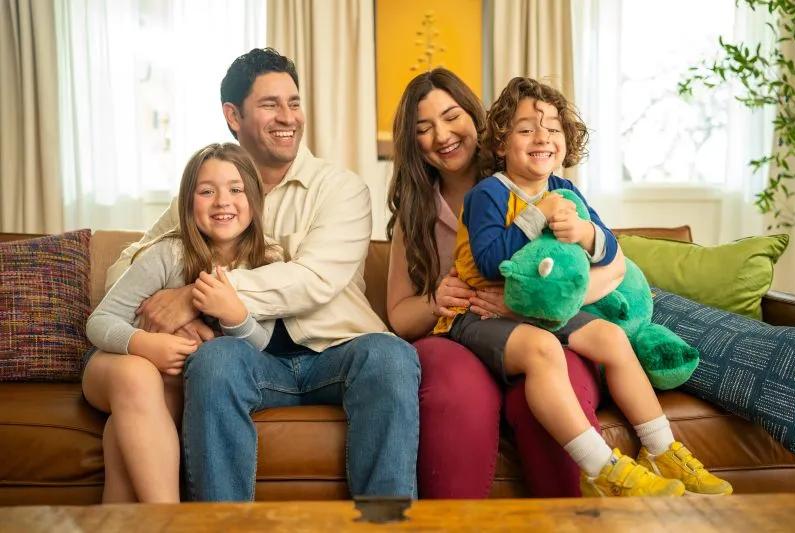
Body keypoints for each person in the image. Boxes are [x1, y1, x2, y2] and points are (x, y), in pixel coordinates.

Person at [105, 48, 420, 501]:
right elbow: (129, 263)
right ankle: (222, 529)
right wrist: (168, 299)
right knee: (213, 361)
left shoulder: (341, 189)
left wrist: (196, 294)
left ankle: (385, 527)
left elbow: (313, 280)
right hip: (249, 358)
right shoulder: (214, 192)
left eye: (293, 103)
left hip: (337, 351)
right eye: (270, 105)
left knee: (391, 357)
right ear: (233, 116)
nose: (287, 117)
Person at [439, 75, 733, 497]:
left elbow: (610, 250)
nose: (542, 137)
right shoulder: (488, 194)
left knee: (612, 337)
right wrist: (538, 213)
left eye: (553, 128)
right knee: (543, 352)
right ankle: (602, 469)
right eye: (526, 129)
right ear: (502, 144)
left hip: (540, 311)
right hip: (482, 312)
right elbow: (488, 260)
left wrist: (585, 233)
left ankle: (662, 449)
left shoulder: (565, 189)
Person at [387, 68, 621, 498]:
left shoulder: (532, 179)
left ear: (479, 120)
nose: (442, 135)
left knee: (554, 384)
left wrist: (535, 304)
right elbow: (400, 316)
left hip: (540, 333)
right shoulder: (415, 213)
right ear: (413, 143)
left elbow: (615, 266)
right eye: (424, 128)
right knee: (458, 395)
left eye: (452, 116)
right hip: (458, 336)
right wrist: (435, 299)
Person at [83, 142, 280, 502]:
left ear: (255, 199)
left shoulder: (267, 263)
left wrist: (233, 317)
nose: (222, 201)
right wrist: (147, 345)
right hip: (113, 368)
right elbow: (100, 321)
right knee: (137, 375)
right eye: (207, 191)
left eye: (236, 190)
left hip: (171, 389)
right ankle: (171, 520)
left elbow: (261, 343)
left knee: (120, 434)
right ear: (188, 203)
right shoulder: (168, 254)